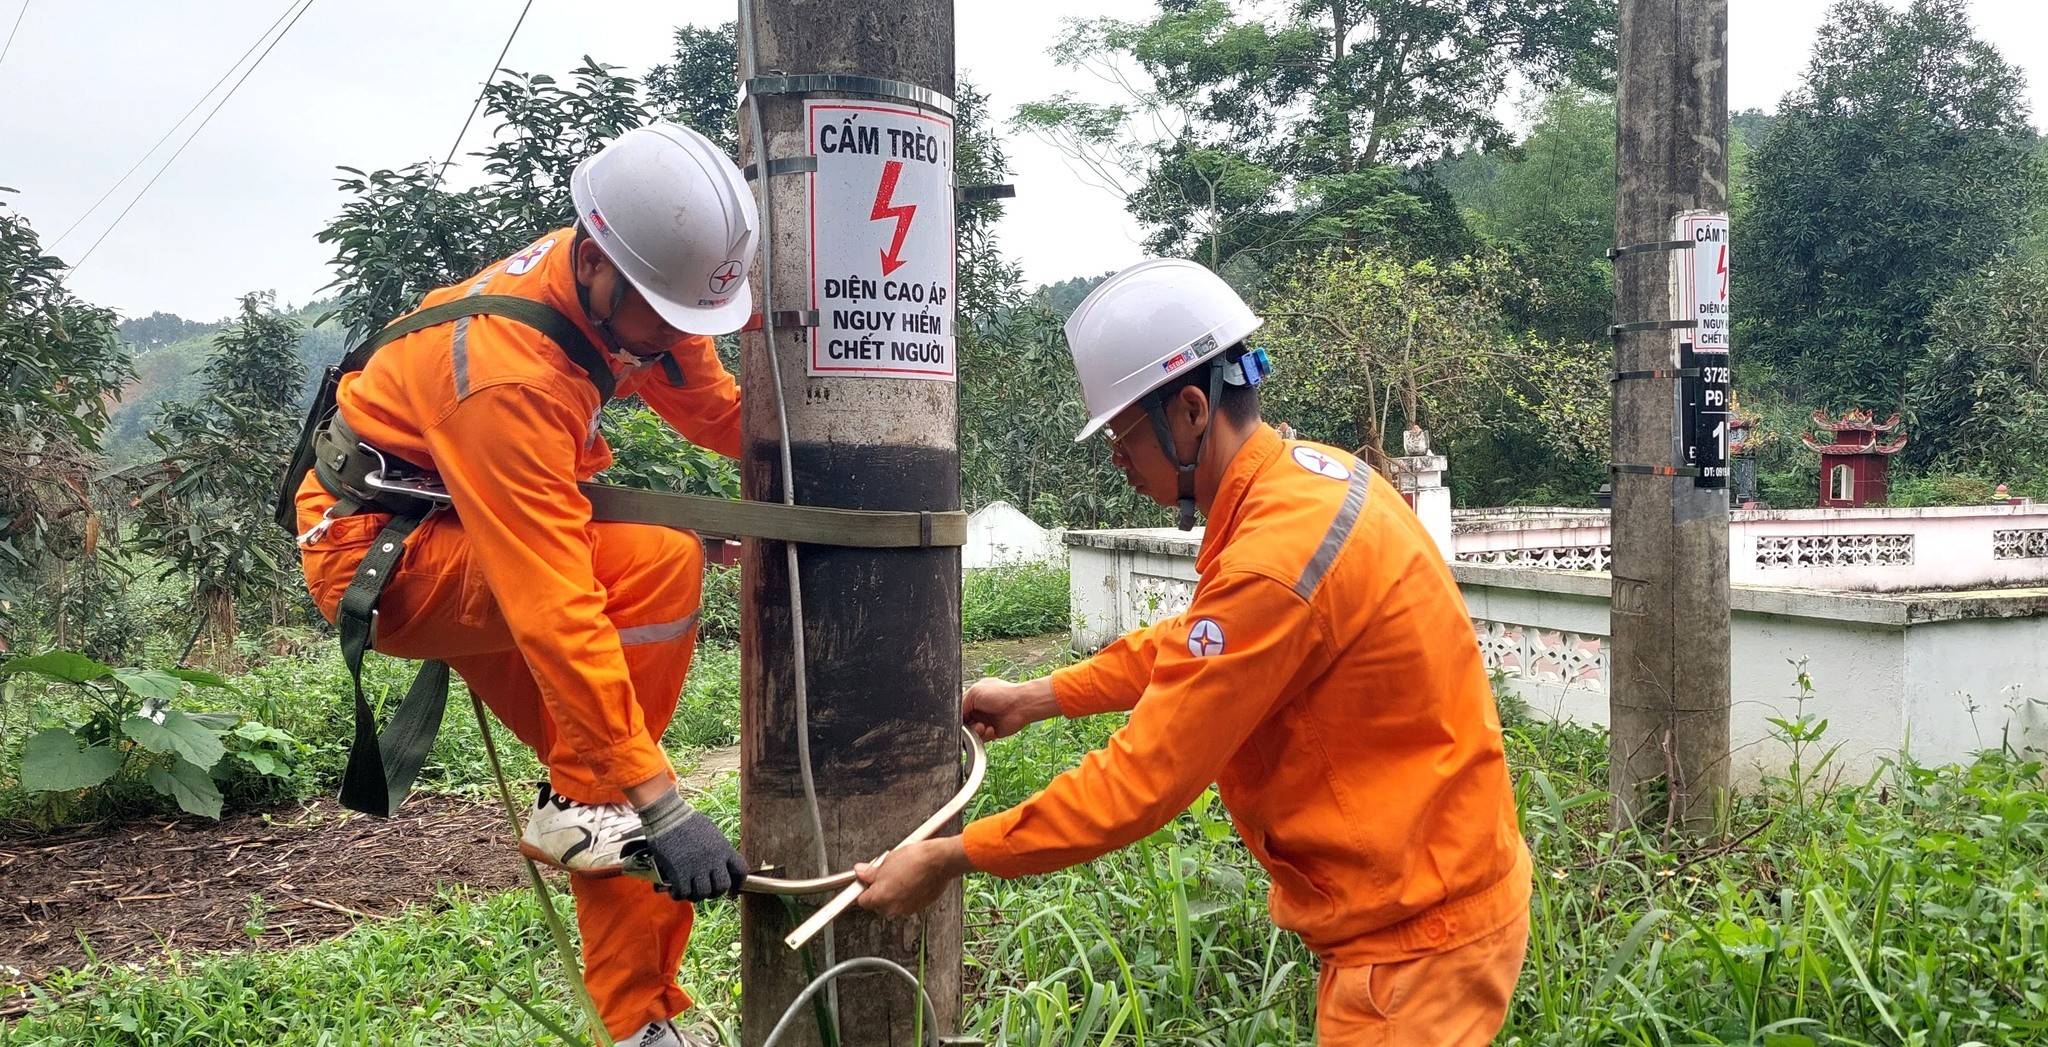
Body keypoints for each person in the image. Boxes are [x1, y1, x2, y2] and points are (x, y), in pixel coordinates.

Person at [853, 259, 1533, 1044]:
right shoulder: (1311, 481)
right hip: (1428, 891)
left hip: (1418, 944)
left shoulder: (1274, 558)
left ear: (1189, 410)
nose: (1115, 457)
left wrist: (950, 856)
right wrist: (1040, 696)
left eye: (1122, 435)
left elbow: (1141, 781)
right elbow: (1196, 643)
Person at [293, 123, 754, 1047]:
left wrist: (840, 466)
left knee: (607, 751)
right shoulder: (510, 373)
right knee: (640, 660)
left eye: (688, 324)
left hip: (464, 526)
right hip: (380, 556)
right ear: (594, 262)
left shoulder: (643, 283)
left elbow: (716, 410)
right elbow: (553, 604)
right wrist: (660, 802)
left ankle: (640, 1022)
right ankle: (588, 800)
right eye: (660, 319)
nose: (670, 342)